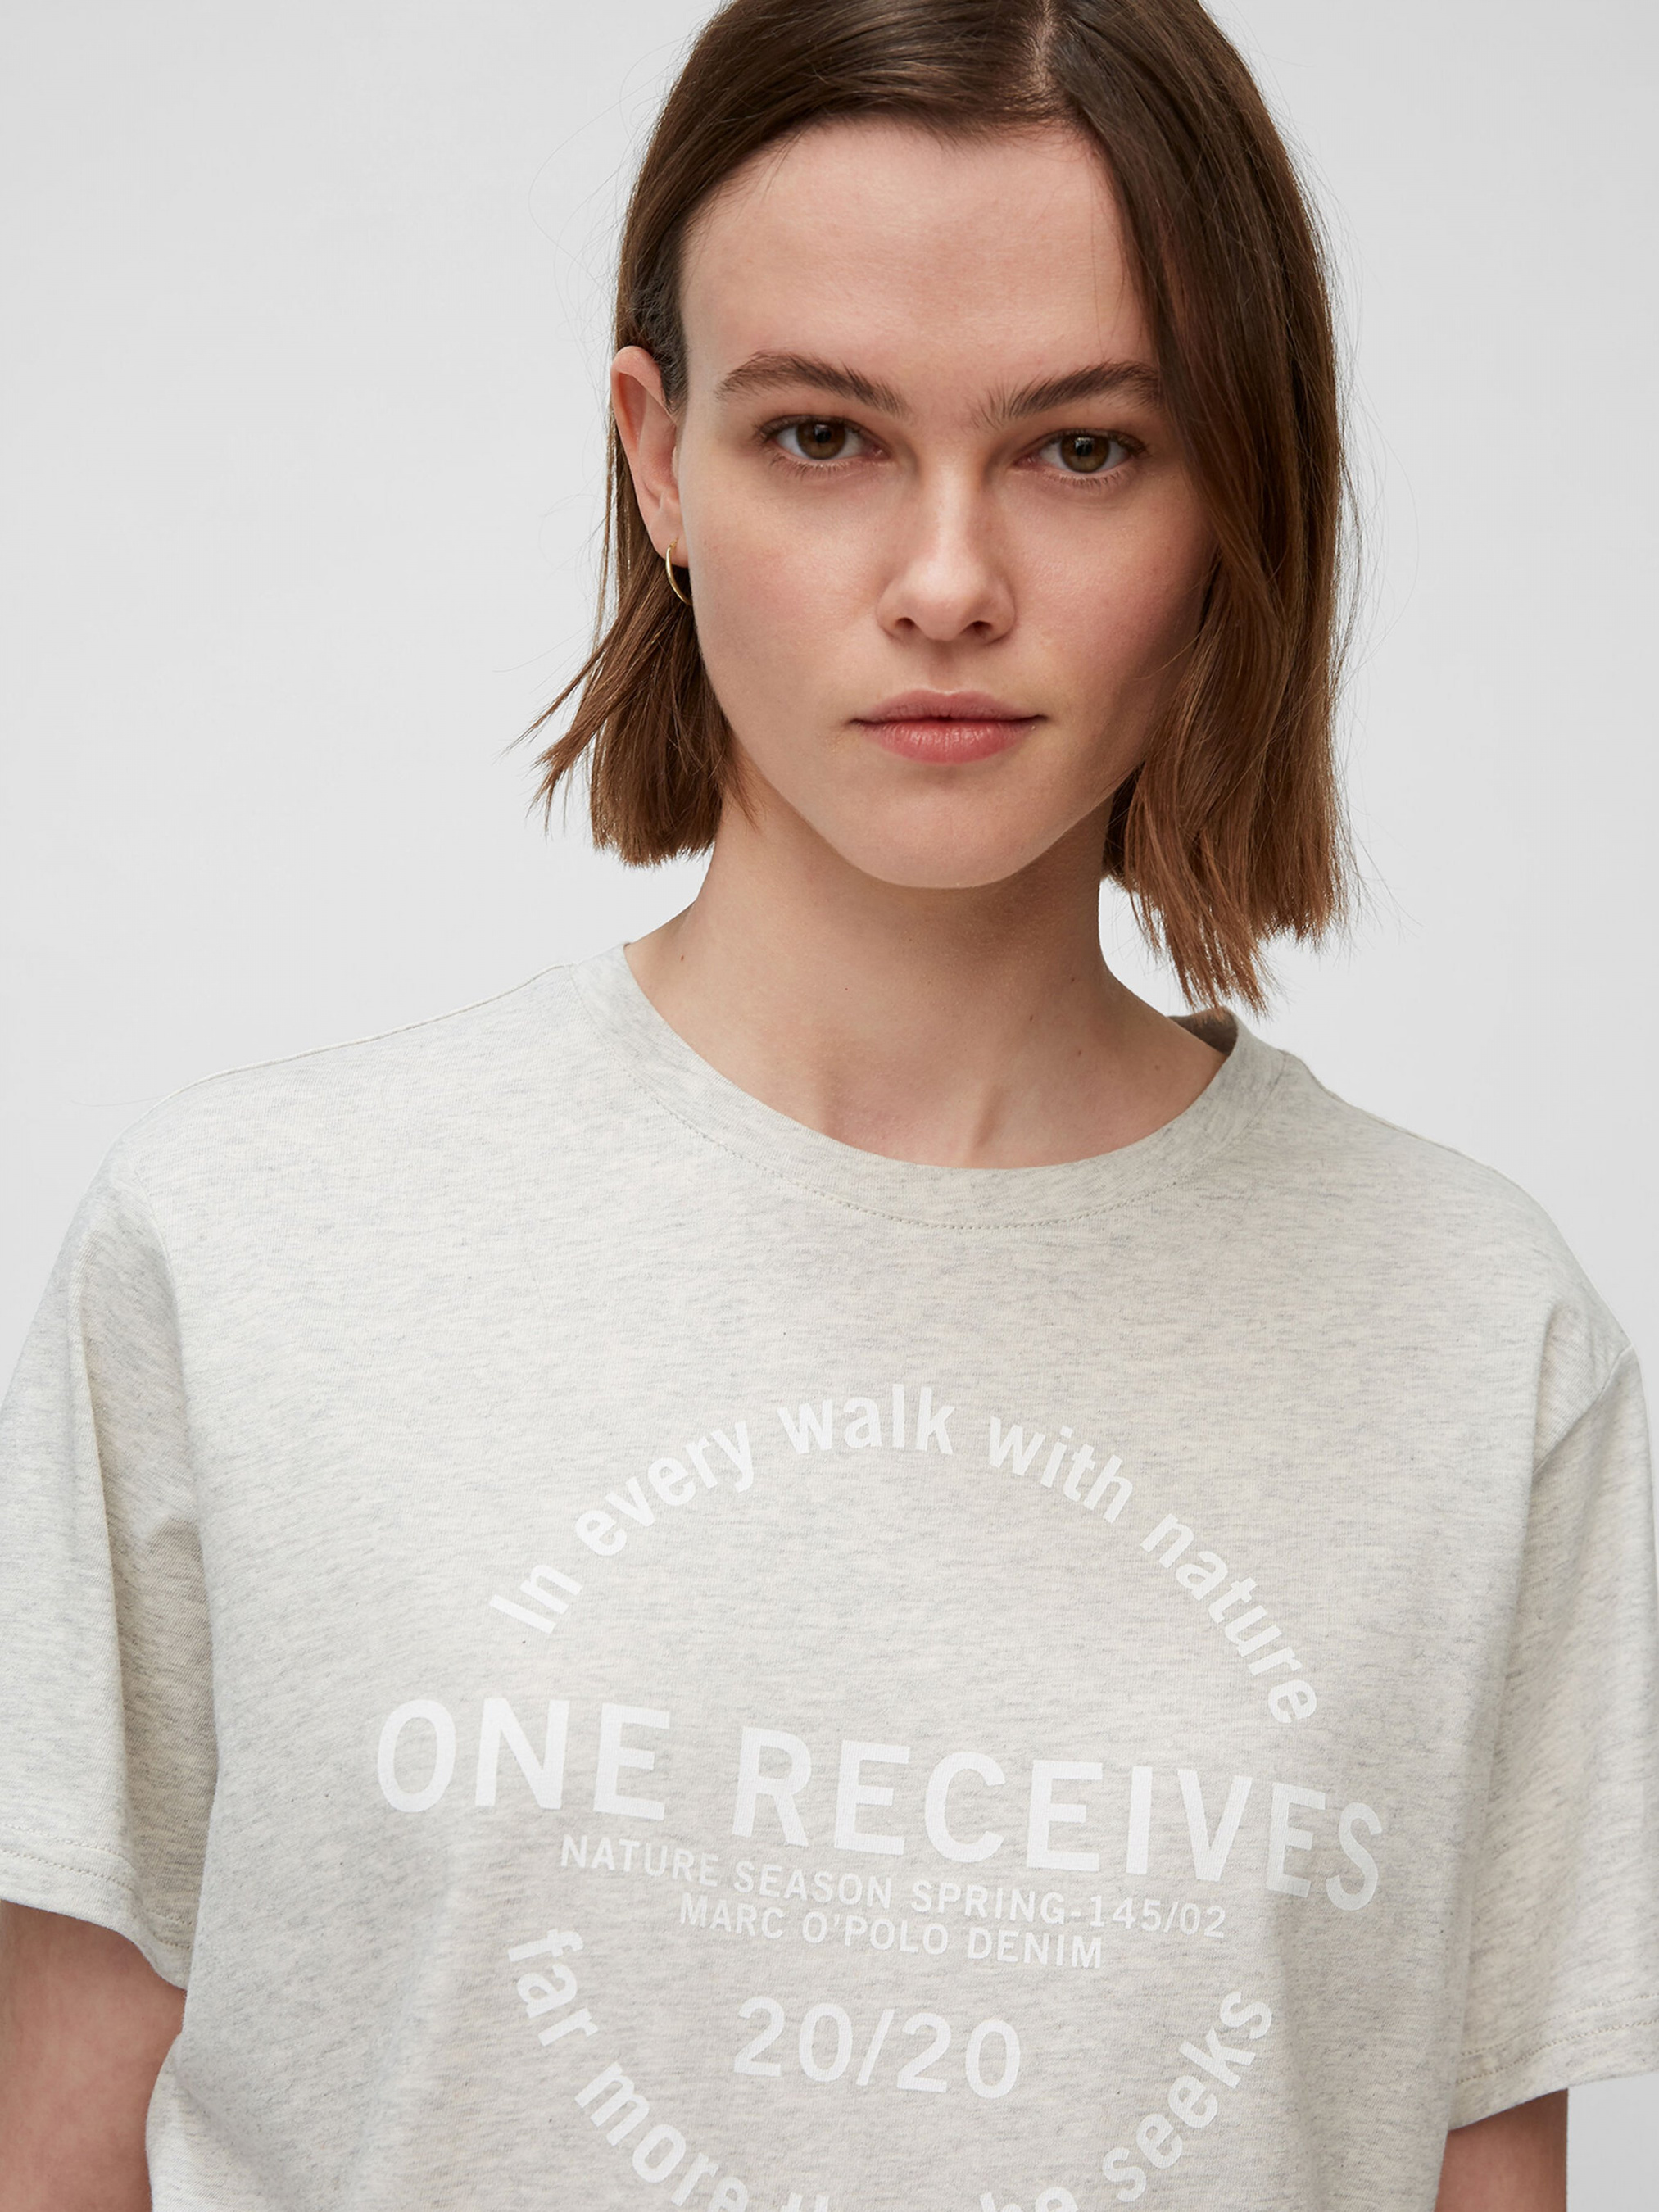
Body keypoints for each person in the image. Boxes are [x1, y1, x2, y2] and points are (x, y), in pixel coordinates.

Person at [1, 0, 1654, 2205]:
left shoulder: (1473, 1342)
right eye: (819, 436)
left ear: (1235, 489)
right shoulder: (242, 1251)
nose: (947, 581)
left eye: (1083, 449)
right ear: (656, 458)